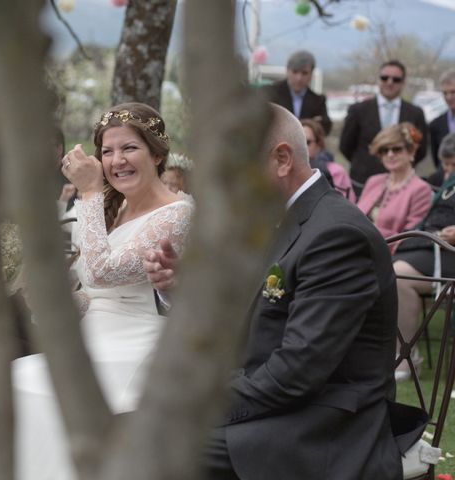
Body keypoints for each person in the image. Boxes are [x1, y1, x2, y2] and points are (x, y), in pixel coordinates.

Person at [146, 104, 408, 479]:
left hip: (325, 423)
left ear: (282, 159)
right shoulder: (276, 220)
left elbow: (298, 371)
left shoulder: (336, 236)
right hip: (277, 400)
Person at [12, 102, 194, 479]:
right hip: (94, 337)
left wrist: (91, 191)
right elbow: (97, 294)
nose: (116, 160)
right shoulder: (119, 209)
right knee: (16, 381)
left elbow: (100, 272)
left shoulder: (178, 214)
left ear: (157, 154)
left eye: (129, 148)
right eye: (107, 151)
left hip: (139, 344)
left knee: (40, 392)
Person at [393, 132, 455, 381]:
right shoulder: (446, 185)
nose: (449, 170)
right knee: (380, 272)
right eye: (446, 164)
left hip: (448, 255)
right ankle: (391, 355)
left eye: (454, 164)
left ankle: (405, 358)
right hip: (430, 245)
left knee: (399, 276)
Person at [340, 60, 428, 194]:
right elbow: (345, 146)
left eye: (396, 79)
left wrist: (400, 165)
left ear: (403, 82)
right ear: (378, 80)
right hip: (362, 184)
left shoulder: (415, 113)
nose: (389, 82)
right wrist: (364, 163)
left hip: (402, 186)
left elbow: (421, 150)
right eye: (384, 78)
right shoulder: (358, 110)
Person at [357, 122, 432, 240]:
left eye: (396, 149)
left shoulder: (421, 189)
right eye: (384, 150)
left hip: (391, 254)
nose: (390, 154)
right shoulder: (373, 181)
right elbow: (355, 217)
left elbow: (411, 236)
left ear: (411, 151)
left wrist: (370, 233)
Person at [263, 50, 332, 135]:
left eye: (304, 73)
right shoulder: (270, 93)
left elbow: (325, 128)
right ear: (287, 71)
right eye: (295, 72)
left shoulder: (318, 101)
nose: (299, 78)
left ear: (311, 74)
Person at [301, 118, 355, 202]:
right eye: (300, 142)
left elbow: (346, 204)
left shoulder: (336, 171)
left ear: (319, 143)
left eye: (307, 142)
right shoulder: (286, 172)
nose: (302, 147)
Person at [427, 69, 455, 185]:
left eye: (453, 92)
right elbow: (437, 161)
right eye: (445, 93)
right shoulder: (436, 124)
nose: (448, 97)